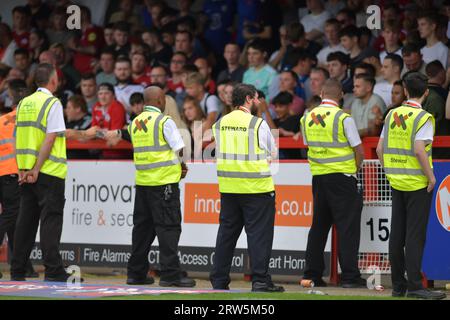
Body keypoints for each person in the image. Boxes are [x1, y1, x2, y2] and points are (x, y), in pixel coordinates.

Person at [376, 72, 446, 300]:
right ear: (426, 93)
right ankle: (415, 285)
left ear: (405, 90)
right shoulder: (423, 117)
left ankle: (398, 286)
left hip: (397, 181)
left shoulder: (392, 114)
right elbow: (419, 149)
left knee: (396, 236)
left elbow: (379, 149)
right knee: (414, 237)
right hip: (417, 183)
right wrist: (432, 177)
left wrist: (390, 171)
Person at [210, 83, 284, 293]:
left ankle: (219, 280)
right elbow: (273, 150)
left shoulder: (220, 123)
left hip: (229, 188)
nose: (260, 102)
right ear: (250, 99)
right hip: (256, 188)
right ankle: (260, 281)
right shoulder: (257, 124)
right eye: (257, 98)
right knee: (259, 236)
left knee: (226, 235)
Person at [126, 86, 196, 288]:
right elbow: (179, 147)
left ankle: (136, 274)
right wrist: (182, 165)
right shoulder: (165, 121)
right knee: (168, 229)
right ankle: (171, 275)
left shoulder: (136, 122)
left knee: (142, 231)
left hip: (143, 185)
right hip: (164, 184)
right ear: (159, 100)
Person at [300, 79, 365, 288]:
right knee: (347, 228)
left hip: (319, 177)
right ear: (342, 95)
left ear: (320, 93)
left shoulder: (307, 117)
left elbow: (307, 145)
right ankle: (350, 277)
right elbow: (359, 150)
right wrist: (355, 169)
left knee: (318, 227)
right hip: (343, 178)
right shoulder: (343, 118)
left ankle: (312, 275)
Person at [10, 63, 71, 282]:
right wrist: (37, 167)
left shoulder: (24, 102)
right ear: (53, 80)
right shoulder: (52, 103)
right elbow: (51, 137)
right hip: (48, 171)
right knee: (50, 220)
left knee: (25, 222)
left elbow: (17, 138)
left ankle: (17, 269)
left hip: (26, 171)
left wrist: (22, 168)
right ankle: (53, 269)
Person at [0, 79, 38, 280]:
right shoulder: (26, 119)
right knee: (11, 217)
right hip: (14, 172)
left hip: (1, 173)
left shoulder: (2, 120)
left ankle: (24, 266)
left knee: (14, 221)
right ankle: (23, 266)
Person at [349, 73, 386, 138]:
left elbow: (372, 131)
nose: (354, 89)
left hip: (373, 143)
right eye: (354, 86)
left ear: (369, 88)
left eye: (357, 86)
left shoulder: (376, 101)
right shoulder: (355, 102)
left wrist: (351, 134)